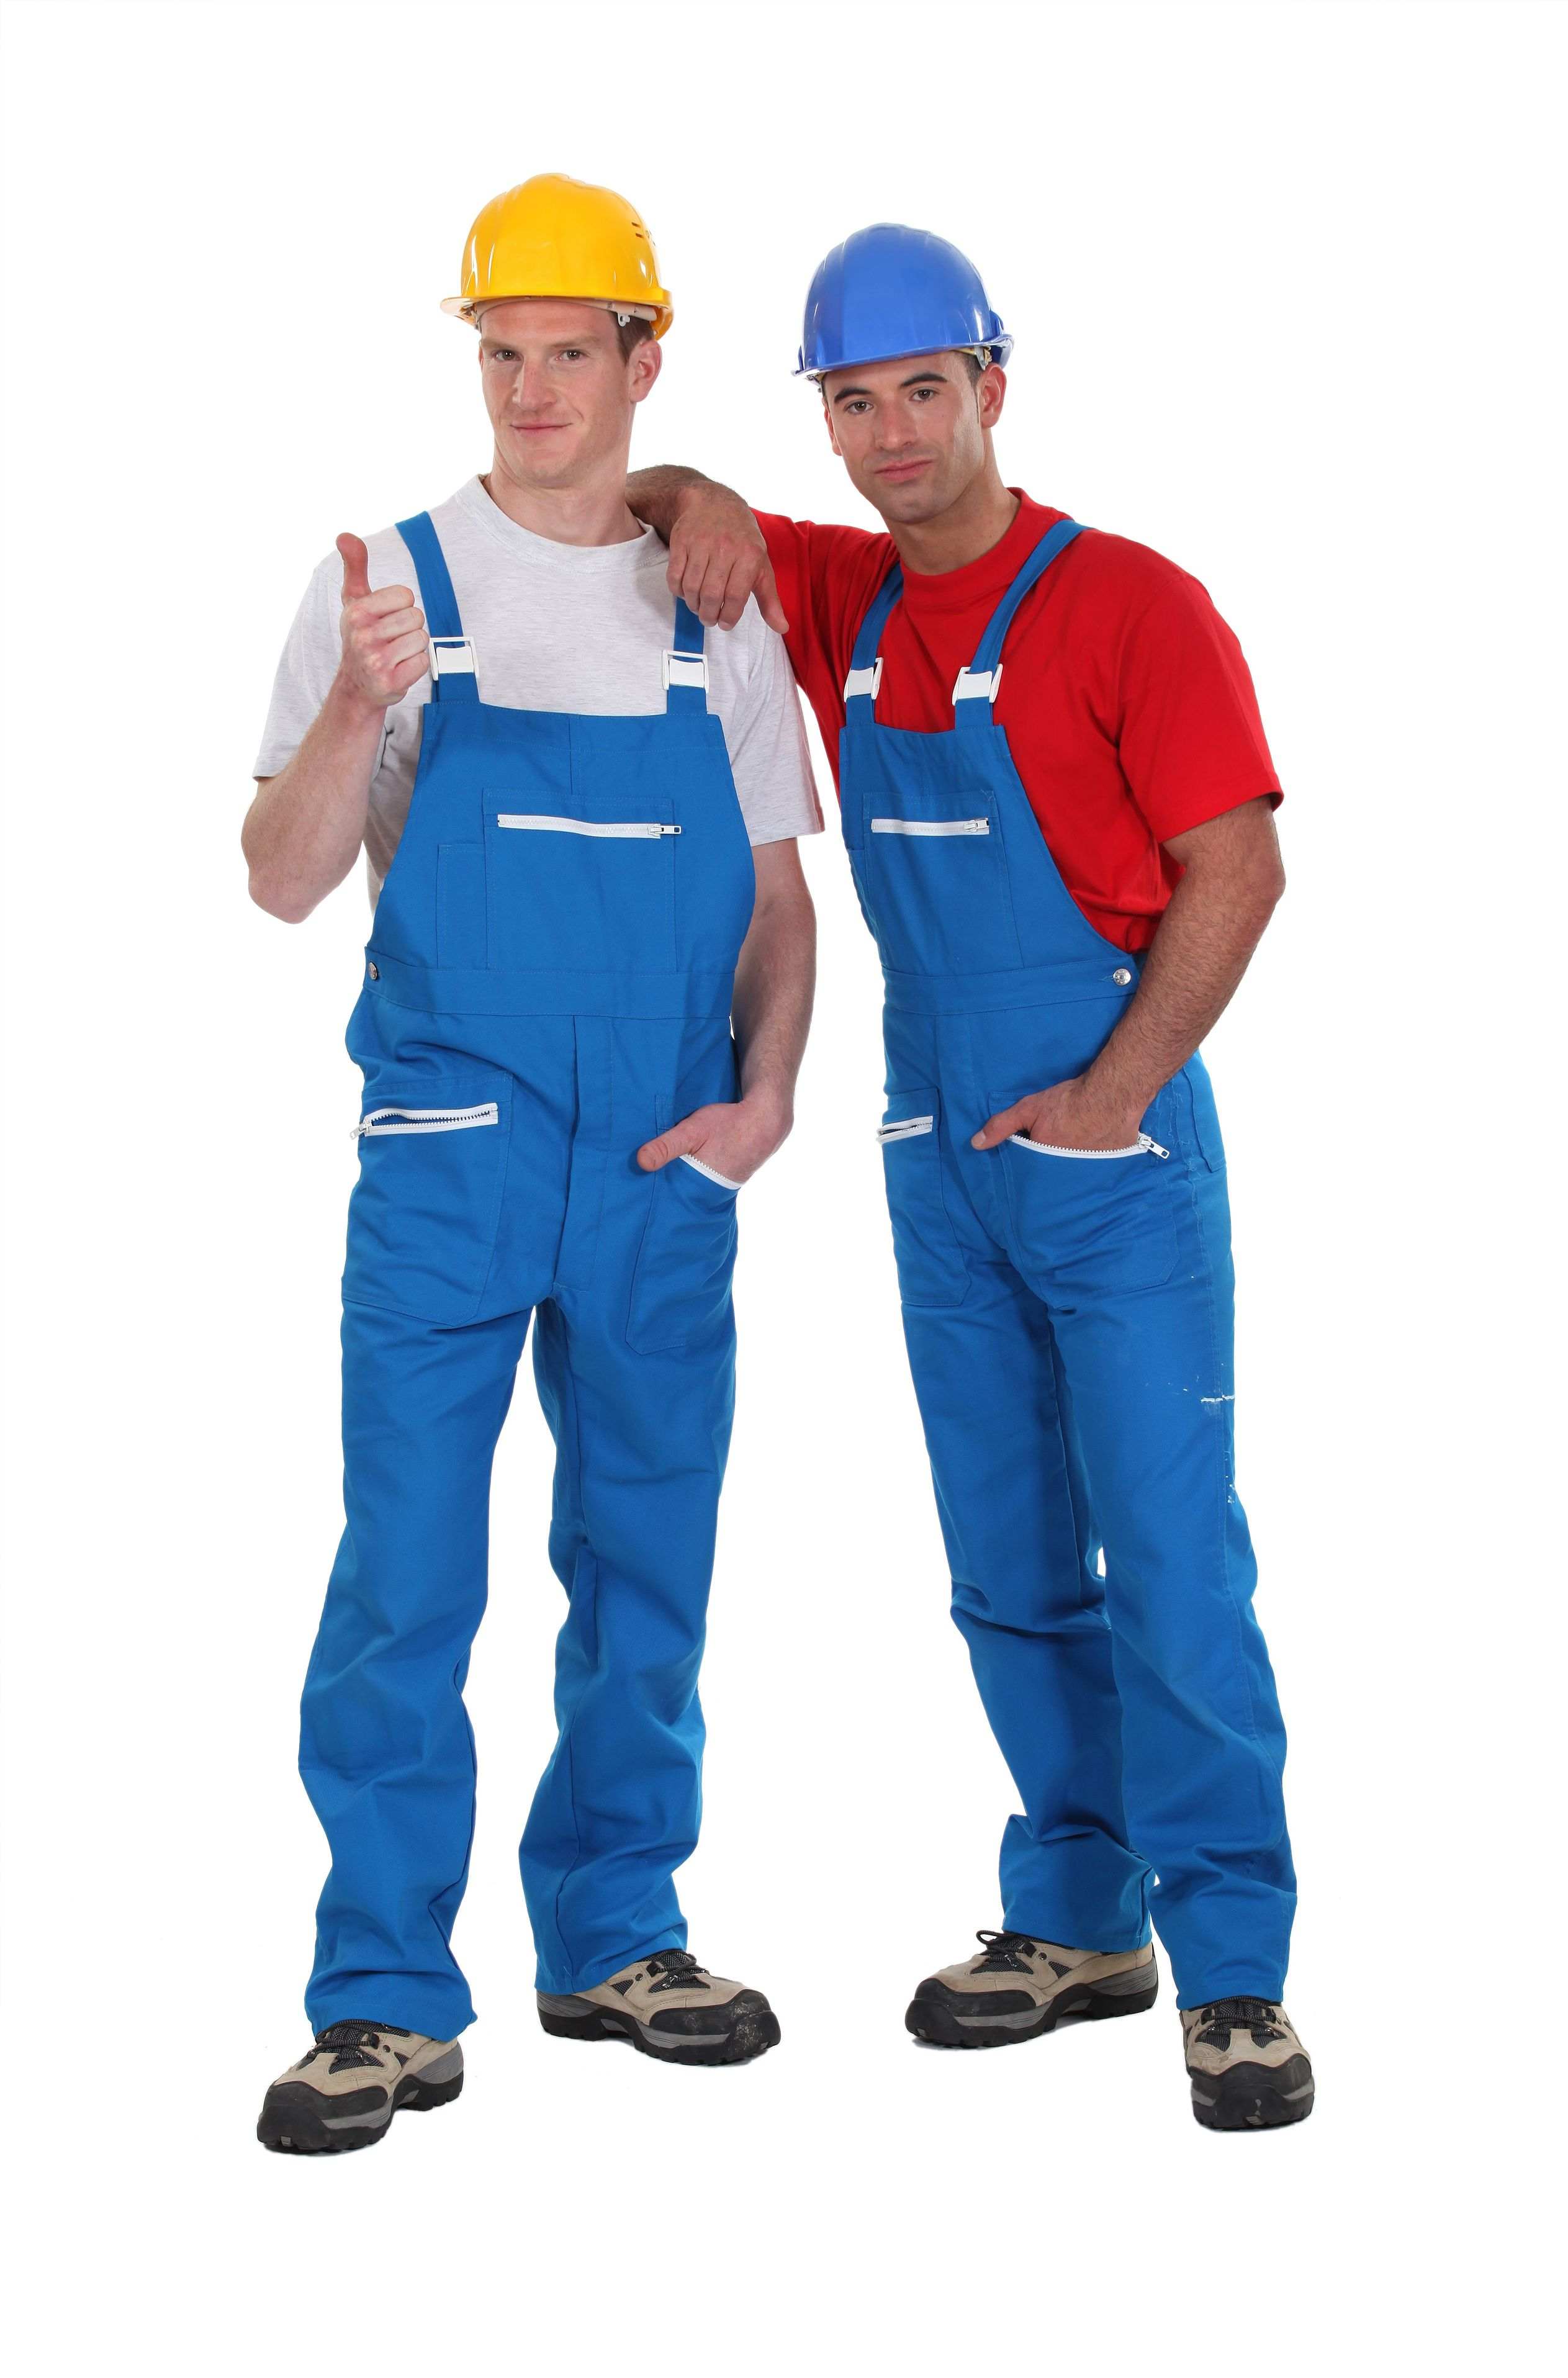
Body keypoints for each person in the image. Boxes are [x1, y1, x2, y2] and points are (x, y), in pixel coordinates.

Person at [628, 222, 1313, 2132]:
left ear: (990, 387)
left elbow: (1238, 867)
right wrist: (690, 489)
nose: (891, 433)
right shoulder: (838, 589)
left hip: (1110, 1148)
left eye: (921, 391)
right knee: (1006, 1560)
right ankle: (1081, 1921)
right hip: (935, 1147)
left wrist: (1113, 1091)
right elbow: (664, 500)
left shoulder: (1133, 605)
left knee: (1168, 1558)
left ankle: (1234, 1971)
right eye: (851, 403)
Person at [243, 174, 821, 2153]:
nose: (530, 390)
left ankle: (617, 1934)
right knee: (405, 1572)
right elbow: (280, 880)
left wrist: (767, 1098)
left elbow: (777, 900)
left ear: (644, 358)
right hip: (455, 1146)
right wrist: (356, 706)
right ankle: (381, 1995)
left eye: (570, 350)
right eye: (502, 351)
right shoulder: (383, 584)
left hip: (659, 1150)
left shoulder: (710, 601)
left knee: (646, 1557)